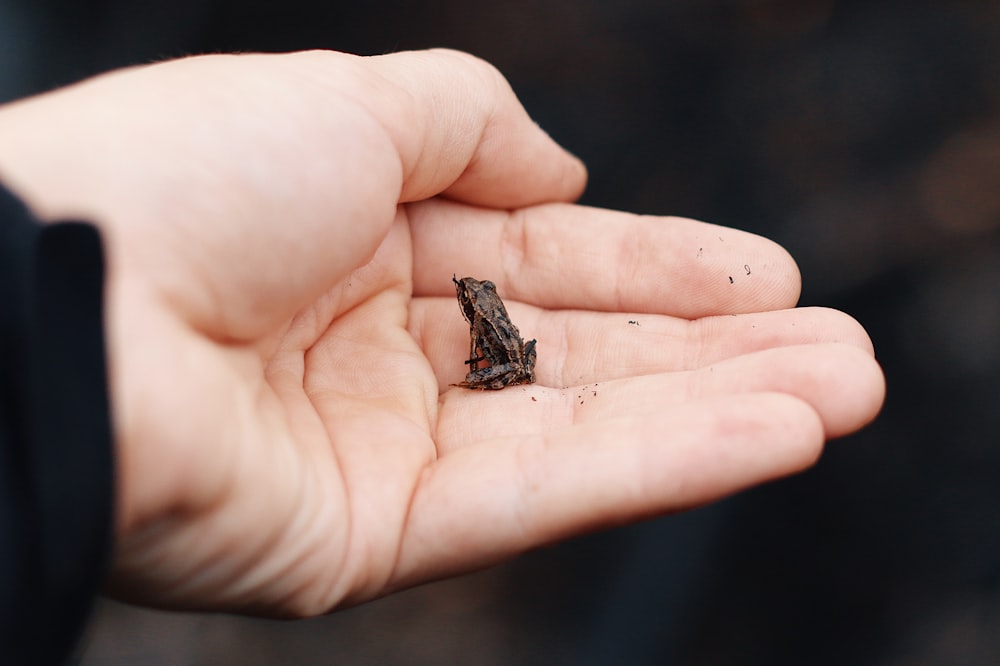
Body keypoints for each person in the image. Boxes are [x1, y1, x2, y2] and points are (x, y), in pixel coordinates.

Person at [0, 48, 885, 663]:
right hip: (504, 356)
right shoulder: (478, 304)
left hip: (508, 363)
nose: (469, 298)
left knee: (514, 361)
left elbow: (499, 346)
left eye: (472, 298)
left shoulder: (484, 316)